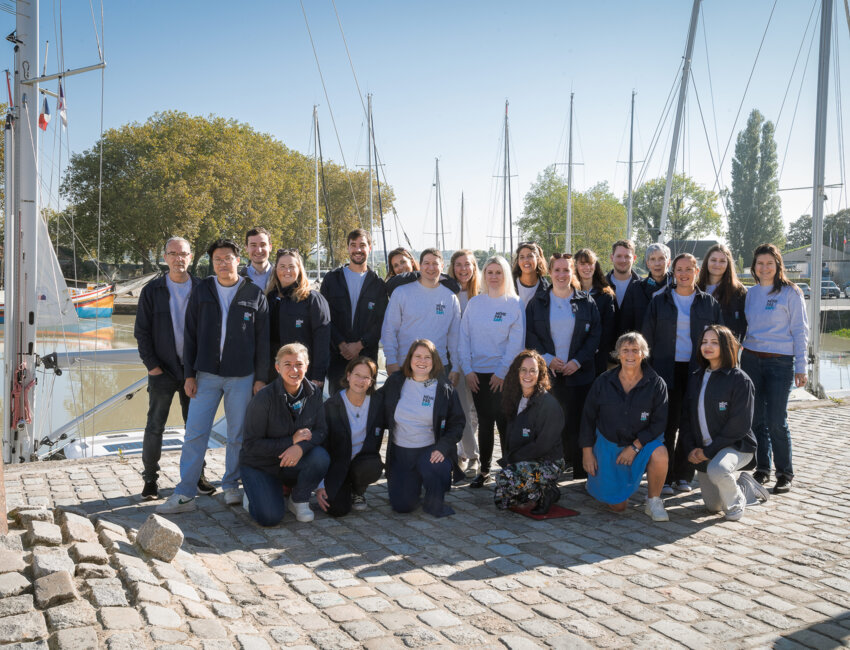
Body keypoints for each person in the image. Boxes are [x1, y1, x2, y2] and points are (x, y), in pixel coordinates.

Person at [157, 238, 269, 514]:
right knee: (195, 434)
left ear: (238, 261)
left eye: (228, 258)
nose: (222, 263)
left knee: (237, 435)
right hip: (206, 375)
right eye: (217, 259)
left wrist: (260, 378)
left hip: (242, 376)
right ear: (212, 263)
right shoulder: (202, 290)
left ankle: (231, 485)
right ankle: (185, 493)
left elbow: (263, 342)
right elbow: (190, 334)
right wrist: (189, 375)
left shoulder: (254, 294)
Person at [135, 237, 215, 500]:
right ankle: (150, 480)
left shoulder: (204, 288)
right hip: (163, 371)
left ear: (191, 257)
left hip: (195, 371)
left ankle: (197, 476)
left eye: (183, 254)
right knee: (154, 426)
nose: (178, 258)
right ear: (165, 257)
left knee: (196, 427)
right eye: (173, 253)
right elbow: (142, 332)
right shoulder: (152, 290)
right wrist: (153, 367)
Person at [642, 253, 723, 495]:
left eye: (689, 269)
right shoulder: (659, 301)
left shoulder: (709, 304)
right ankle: (664, 477)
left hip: (697, 369)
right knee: (666, 424)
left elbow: (721, 339)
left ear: (697, 272)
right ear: (673, 272)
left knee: (691, 423)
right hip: (665, 370)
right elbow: (647, 339)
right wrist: (647, 372)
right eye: (679, 269)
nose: (684, 273)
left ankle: (683, 475)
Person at [580, 332, 670, 522]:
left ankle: (653, 501)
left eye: (635, 350)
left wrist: (635, 447)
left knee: (660, 453)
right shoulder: (602, 381)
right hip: (608, 443)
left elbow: (659, 423)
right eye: (625, 350)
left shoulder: (656, 384)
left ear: (643, 354)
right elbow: (588, 418)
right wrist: (587, 453)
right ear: (618, 354)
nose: (630, 355)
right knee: (618, 507)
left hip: (641, 444)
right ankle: (598, 483)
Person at [741, 243, 809, 494]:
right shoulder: (750, 294)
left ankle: (784, 473)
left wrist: (801, 366)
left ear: (778, 265)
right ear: (754, 266)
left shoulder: (791, 292)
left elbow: (800, 330)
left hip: (780, 362)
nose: (765, 267)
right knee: (757, 419)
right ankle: (762, 468)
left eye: (769, 263)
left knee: (776, 420)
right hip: (751, 360)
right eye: (760, 263)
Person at [680, 325, 767, 521]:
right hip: (705, 449)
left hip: (736, 447)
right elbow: (686, 419)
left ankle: (736, 503)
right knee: (713, 506)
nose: (707, 346)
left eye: (714, 342)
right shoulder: (695, 377)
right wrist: (691, 448)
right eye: (704, 342)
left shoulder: (740, 380)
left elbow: (740, 426)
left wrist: (708, 452)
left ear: (726, 346)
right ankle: (744, 486)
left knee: (717, 470)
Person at [526, 253, 600, 479]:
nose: (561, 274)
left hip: (580, 374)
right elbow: (530, 334)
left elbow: (595, 335)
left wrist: (577, 361)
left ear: (572, 272)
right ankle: (551, 469)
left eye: (566, 270)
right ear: (550, 272)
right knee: (550, 423)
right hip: (549, 375)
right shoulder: (537, 302)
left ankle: (580, 470)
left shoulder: (586, 302)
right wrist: (547, 358)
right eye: (557, 270)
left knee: (579, 422)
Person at [239, 344, 330, 526]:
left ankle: (299, 500)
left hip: (292, 462)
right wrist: (291, 441)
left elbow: (321, 431)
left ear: (307, 366)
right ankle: (254, 494)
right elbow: (250, 445)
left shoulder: (314, 393)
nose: (294, 370)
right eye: (287, 364)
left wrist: (300, 448)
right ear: (277, 367)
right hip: (261, 465)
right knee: (270, 518)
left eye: (299, 364)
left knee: (320, 457)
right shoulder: (263, 398)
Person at [458, 256, 525, 488]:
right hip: (477, 375)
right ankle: (484, 470)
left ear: (505, 275)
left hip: (504, 375)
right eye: (490, 272)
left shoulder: (514, 303)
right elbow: (463, 338)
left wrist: (502, 372)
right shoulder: (475, 303)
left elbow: (516, 342)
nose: (494, 276)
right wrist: (468, 370)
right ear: (484, 275)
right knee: (485, 423)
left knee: (505, 422)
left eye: (498, 272)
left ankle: (508, 470)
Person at [379, 340, 465, 517]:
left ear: (434, 361)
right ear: (410, 359)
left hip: (429, 452)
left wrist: (442, 447)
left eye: (427, 357)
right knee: (402, 506)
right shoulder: (395, 381)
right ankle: (414, 483)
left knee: (437, 466)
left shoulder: (444, 388)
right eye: (417, 356)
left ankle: (434, 496)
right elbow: (375, 405)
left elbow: (457, 422)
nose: (422, 361)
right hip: (401, 453)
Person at [495, 350, 565, 514]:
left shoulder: (548, 404)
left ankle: (546, 492)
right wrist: (512, 461)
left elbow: (542, 445)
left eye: (533, 370)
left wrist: (512, 460)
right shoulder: (516, 397)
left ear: (540, 374)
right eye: (524, 370)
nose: (528, 375)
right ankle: (536, 491)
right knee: (501, 500)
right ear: (517, 372)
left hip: (549, 462)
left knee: (505, 478)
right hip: (525, 460)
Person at [320, 229, 388, 393]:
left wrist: (360, 345)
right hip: (337, 357)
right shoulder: (331, 279)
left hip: (366, 356)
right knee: (337, 404)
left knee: (366, 403)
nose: (358, 249)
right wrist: (341, 344)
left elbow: (381, 322)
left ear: (369, 248)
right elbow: (323, 317)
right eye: (353, 245)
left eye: (362, 245)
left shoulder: (378, 284)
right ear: (348, 248)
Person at [381, 248, 462, 382]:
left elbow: (455, 337)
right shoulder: (401, 293)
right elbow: (389, 329)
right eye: (426, 263)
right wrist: (391, 360)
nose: (431, 267)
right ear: (420, 265)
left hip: (439, 367)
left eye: (435, 263)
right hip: (405, 365)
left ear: (442, 266)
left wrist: (456, 367)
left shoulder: (451, 297)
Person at [318, 357, 385, 516]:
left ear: (371, 381)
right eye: (357, 375)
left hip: (363, 462)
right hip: (337, 465)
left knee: (373, 466)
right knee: (336, 509)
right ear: (348, 375)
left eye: (366, 377)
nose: (360, 381)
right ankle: (343, 487)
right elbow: (320, 446)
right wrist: (320, 485)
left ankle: (358, 490)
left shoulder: (378, 403)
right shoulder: (331, 406)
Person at [266, 248, 330, 387]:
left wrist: (318, 374)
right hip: (272, 373)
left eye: (291, 266)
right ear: (276, 270)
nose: (287, 270)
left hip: (303, 375)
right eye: (282, 266)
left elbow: (322, 339)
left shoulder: (312, 299)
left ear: (299, 269)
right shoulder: (269, 299)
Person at [448, 249, 481, 477]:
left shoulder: (482, 294)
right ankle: (471, 456)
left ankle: (464, 452)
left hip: (481, 359)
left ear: (474, 267)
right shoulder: (447, 293)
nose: (463, 269)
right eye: (458, 264)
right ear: (452, 268)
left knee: (475, 411)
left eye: (467, 264)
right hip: (457, 360)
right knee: (463, 411)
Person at [574, 248, 616, 376]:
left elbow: (608, 328)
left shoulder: (606, 295)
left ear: (595, 265)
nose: (587, 267)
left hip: (597, 356)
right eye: (582, 264)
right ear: (576, 266)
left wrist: (593, 349)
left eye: (590, 263)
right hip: (572, 356)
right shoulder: (568, 293)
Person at [697, 243, 748, 342]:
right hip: (699, 346)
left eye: (722, 261)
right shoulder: (696, 289)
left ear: (728, 264)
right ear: (707, 261)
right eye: (713, 260)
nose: (717, 264)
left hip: (726, 346)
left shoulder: (739, 292)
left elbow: (742, 325)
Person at [607, 239, 648, 338]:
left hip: (633, 345)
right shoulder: (600, 286)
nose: (623, 260)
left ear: (634, 258)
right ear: (612, 257)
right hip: (604, 346)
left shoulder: (644, 287)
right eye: (619, 256)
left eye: (627, 256)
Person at [512, 241, 550, 307]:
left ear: (538, 259)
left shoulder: (547, 290)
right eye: (522, 257)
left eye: (530, 256)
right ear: (518, 261)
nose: (526, 260)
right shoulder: (508, 285)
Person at [240, 227, 274, 291]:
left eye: (263, 245)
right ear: (246, 248)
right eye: (253, 245)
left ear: (270, 247)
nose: (259, 250)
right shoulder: (237, 280)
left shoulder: (281, 276)